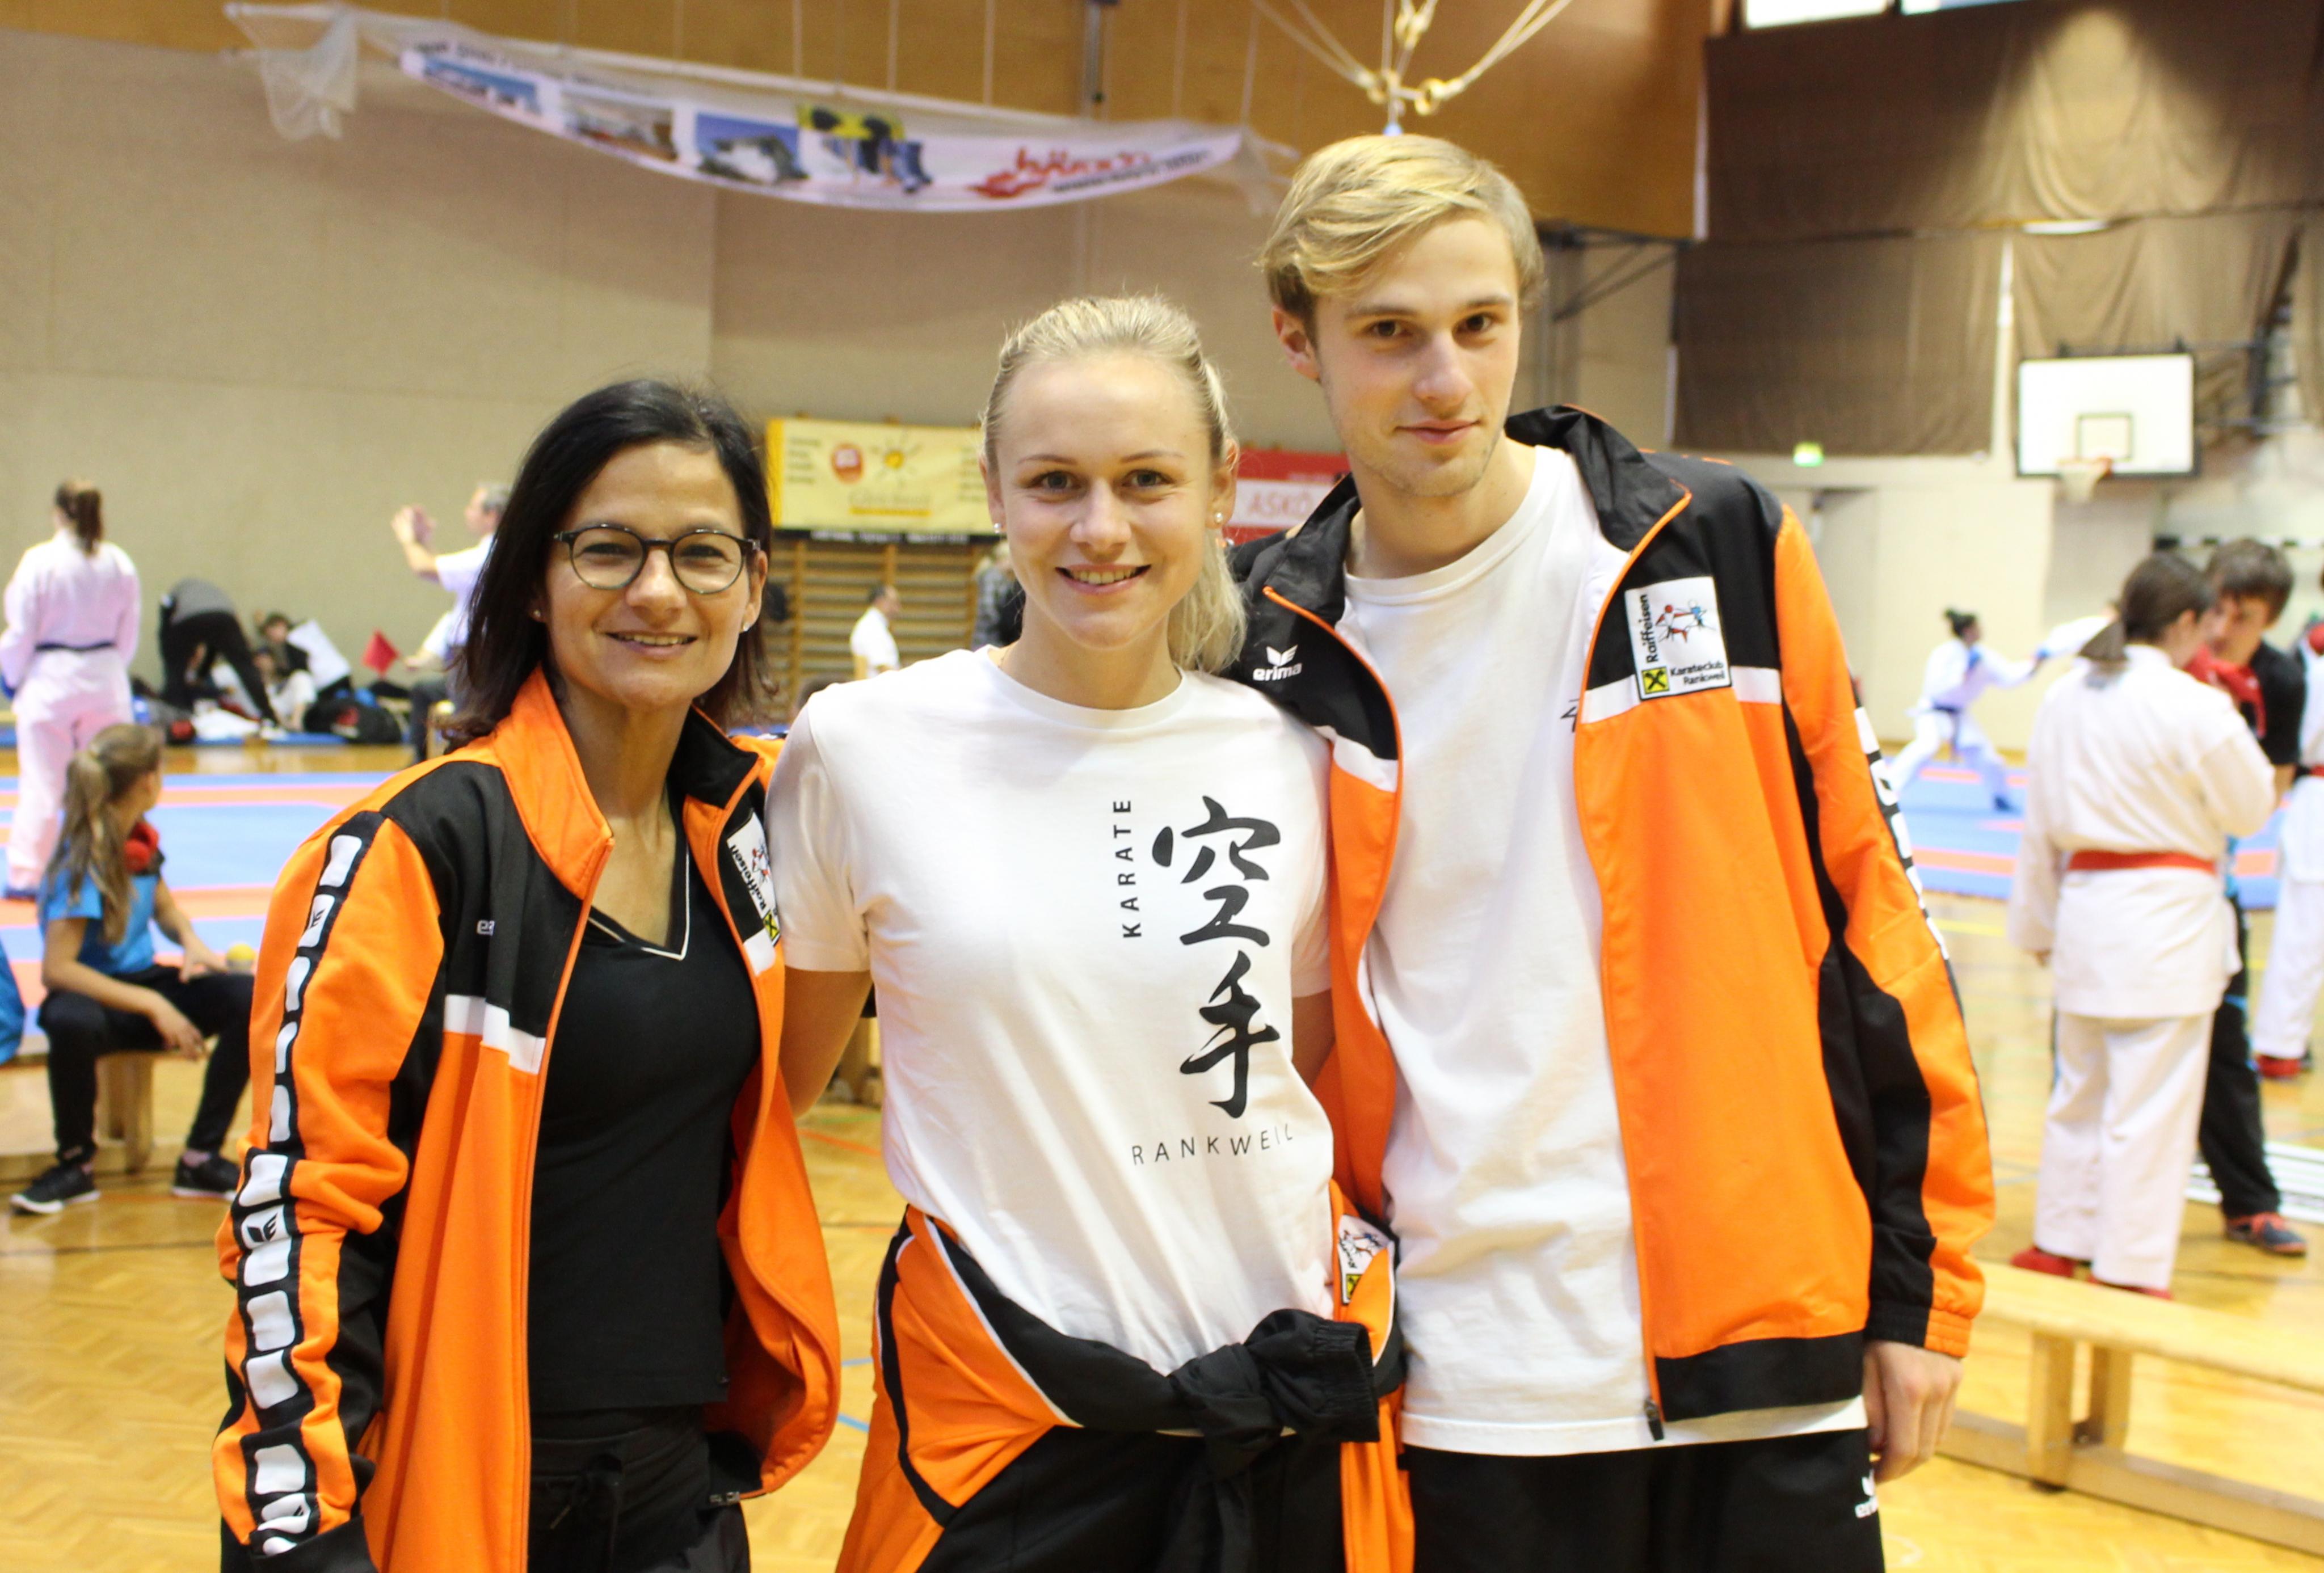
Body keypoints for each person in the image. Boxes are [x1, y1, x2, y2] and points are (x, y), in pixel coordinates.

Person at [1233, 136, 1993, 1571]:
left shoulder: (1716, 546)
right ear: (1298, 340)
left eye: (1478, 325)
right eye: (1388, 334)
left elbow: (1878, 925)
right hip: (1464, 1371)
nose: (1444, 379)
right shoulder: (1260, 648)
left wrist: (1922, 1292)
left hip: (1763, 1338)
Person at [770, 296, 1406, 1573]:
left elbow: (1308, 1067)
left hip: (1282, 1396)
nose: (1100, 527)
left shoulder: (1296, 755)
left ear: (1219, 490)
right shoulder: (859, 747)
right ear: (994, 491)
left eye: (1146, 480)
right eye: (1054, 481)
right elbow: (775, 1089)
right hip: (1006, 1421)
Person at [213, 381, 838, 1573]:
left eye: (701, 553)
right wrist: (300, 1530)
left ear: (752, 583)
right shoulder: (420, 848)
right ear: (536, 581)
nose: (657, 591)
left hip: (681, 1483)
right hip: (470, 1477)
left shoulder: (754, 828)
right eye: (608, 549)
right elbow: (303, 1209)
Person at [2007, 554, 2277, 1297]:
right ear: (2187, 621)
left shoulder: (2066, 695)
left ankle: (2060, 1238)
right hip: (2165, 920)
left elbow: (2038, 823)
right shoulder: (2194, 705)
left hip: (2086, 911)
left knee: (2079, 1090)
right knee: (2150, 1106)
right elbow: (2251, 808)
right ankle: (2127, 1265)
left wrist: (2036, 925)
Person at [8, 724, 253, 1213]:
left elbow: (165, 908)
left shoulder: (139, 842)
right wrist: (154, 1003)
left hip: (143, 987)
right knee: (70, 1019)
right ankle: (75, 1164)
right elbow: (57, 969)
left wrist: (191, 942)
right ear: (147, 780)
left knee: (249, 996)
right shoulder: (83, 862)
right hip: (94, 1000)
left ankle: (200, 1158)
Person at [2182, 541, 2306, 1256]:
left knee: (2226, 1048)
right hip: (2126, 882)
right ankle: (2082, 1208)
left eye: (2244, 617)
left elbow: (2267, 796)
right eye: (2218, 611)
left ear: (2270, 620)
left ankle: (2250, 1203)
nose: (2223, 629)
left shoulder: (2279, 679)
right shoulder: (2166, 656)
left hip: (2209, 877)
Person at [0, 481, 141, 896]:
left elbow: (21, 630)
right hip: (104, 675)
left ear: (59, 513)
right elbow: (129, 633)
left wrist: (11, 676)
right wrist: (110, 669)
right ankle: (111, 867)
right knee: (109, 782)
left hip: (52, 678)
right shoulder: (118, 562)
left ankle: (28, 875)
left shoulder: (40, 561)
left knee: (43, 783)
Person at [390, 482, 506, 758]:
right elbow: (443, 571)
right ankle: (425, 764)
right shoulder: (496, 552)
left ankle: (463, 769)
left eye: (473, 508)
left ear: (491, 516)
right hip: (475, 653)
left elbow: (425, 568)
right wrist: (424, 541)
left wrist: (409, 540)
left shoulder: (490, 554)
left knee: (470, 723)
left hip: (477, 654)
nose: (467, 513)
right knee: (464, 716)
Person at [1888, 609, 2041, 811]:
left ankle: (2001, 796)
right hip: (1934, 711)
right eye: (1977, 627)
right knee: (1926, 746)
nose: (1981, 631)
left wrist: (2033, 664)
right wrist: (1964, 671)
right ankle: (1889, 788)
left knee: (1987, 757)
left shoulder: (1984, 656)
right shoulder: (1945, 653)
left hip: (1959, 715)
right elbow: (1937, 688)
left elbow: (2008, 676)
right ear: (1968, 630)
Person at [158, 577, 282, 729]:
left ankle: (178, 719)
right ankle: (270, 716)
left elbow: (165, 625)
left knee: (175, 671)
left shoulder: (176, 591)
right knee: (245, 667)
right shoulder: (215, 594)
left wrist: (172, 659)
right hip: (224, 618)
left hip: (187, 620)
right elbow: (216, 645)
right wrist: (202, 674)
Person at [848, 582, 901, 678]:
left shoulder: (876, 625)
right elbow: (883, 667)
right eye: (894, 603)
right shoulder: (870, 627)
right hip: (878, 685)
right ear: (879, 601)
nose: (898, 609)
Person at [970, 539, 1016, 648]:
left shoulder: (1000, 576)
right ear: (1002, 559)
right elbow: (988, 604)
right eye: (1010, 559)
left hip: (988, 635)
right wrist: (1000, 623)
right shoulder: (992, 577)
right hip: (988, 636)